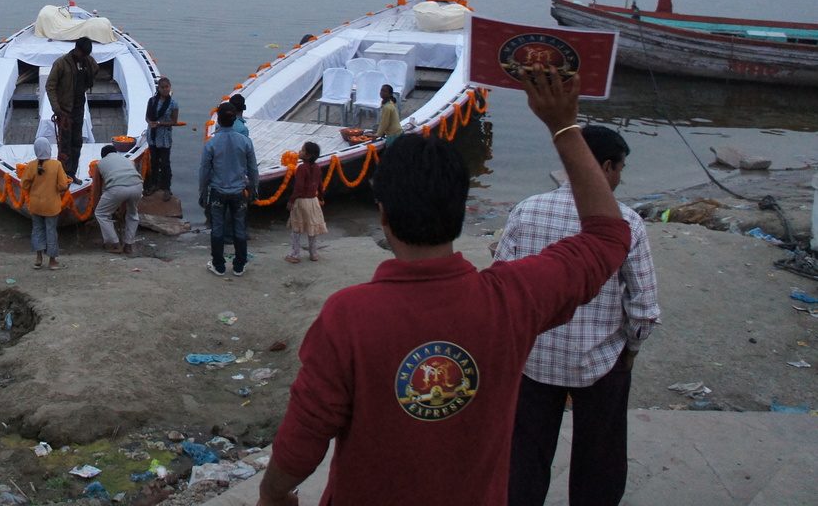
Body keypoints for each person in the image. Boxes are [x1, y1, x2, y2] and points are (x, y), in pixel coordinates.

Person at [255, 67, 630, 506]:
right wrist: (563, 126)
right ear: (460, 210)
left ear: (383, 214)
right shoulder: (512, 300)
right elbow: (607, 238)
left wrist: (272, 494)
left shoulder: (349, 316)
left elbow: (305, 436)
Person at [496, 125, 660, 506]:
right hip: (600, 360)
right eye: (620, 168)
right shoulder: (626, 223)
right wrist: (631, 351)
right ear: (604, 167)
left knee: (524, 457)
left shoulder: (527, 210)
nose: (621, 178)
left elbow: (502, 287)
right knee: (599, 459)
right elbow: (643, 306)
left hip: (534, 359)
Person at [198, 101, 259, 277]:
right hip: (238, 191)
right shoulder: (245, 141)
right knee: (239, 228)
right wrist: (254, 188)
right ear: (234, 119)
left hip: (218, 191)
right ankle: (239, 265)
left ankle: (219, 265)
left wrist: (203, 193)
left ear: (218, 120)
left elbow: (204, 171)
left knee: (217, 229)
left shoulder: (211, 144)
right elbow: (253, 169)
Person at [46, 36, 98, 179]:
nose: (84, 56)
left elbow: (95, 70)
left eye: (87, 54)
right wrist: (57, 109)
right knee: (64, 144)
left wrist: (87, 84)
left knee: (77, 142)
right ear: (76, 49)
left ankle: (72, 173)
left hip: (79, 108)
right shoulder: (61, 63)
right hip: (64, 111)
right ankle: (63, 175)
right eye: (83, 54)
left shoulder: (88, 61)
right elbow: (50, 86)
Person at [21, 137, 70, 269]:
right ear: (49, 149)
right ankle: (52, 261)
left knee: (37, 229)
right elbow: (63, 185)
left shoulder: (31, 165)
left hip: (36, 204)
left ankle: (38, 258)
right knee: (51, 231)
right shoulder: (56, 165)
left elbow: (24, 184)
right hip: (51, 205)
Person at [92, 144, 144, 254]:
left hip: (117, 188)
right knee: (132, 215)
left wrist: (95, 209)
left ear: (103, 156)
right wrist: (121, 210)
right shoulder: (128, 161)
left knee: (101, 214)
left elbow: (96, 188)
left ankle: (116, 245)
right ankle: (128, 246)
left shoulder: (99, 163)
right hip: (138, 186)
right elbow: (128, 185)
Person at [283, 141, 327, 263]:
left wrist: (291, 201)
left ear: (308, 156)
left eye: (302, 150)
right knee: (312, 228)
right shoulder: (317, 167)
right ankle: (313, 253)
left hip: (301, 201)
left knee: (296, 229)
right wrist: (321, 197)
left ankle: (295, 254)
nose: (299, 152)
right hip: (313, 201)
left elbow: (299, 188)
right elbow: (320, 184)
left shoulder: (301, 168)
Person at [144, 77, 179, 196]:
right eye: (162, 87)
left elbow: (174, 122)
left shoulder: (173, 103)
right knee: (154, 161)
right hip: (153, 135)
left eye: (167, 87)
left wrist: (159, 123)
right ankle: (154, 184)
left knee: (165, 163)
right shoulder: (152, 101)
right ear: (158, 89)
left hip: (164, 136)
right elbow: (147, 116)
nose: (165, 89)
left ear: (170, 87)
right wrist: (150, 123)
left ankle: (166, 188)